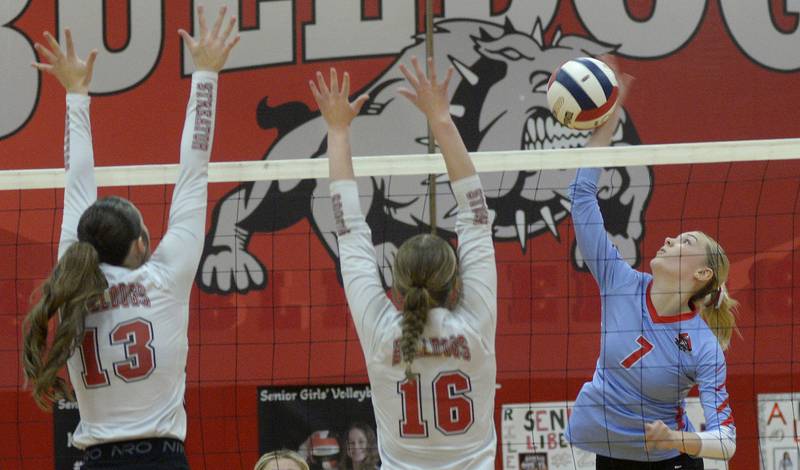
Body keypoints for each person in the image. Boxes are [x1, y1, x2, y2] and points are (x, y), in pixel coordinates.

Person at [21, 6, 239, 469]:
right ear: (142, 242)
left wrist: (76, 94)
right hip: (160, 460)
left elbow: (75, 178)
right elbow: (194, 170)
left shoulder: (71, 280)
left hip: (95, 462)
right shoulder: (165, 279)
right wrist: (205, 74)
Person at [309, 56, 497, 470]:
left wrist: (337, 131)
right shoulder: (476, 327)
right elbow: (477, 218)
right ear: (457, 284)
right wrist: (442, 119)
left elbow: (349, 231)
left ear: (395, 287)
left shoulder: (381, 332)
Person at [564, 65, 737, 470]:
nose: (670, 240)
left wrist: (676, 438)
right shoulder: (619, 281)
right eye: (676, 237)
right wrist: (608, 120)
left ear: (703, 275)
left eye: (686, 242)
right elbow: (582, 195)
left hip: (669, 460)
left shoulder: (704, 344)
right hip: (610, 458)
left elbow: (726, 442)